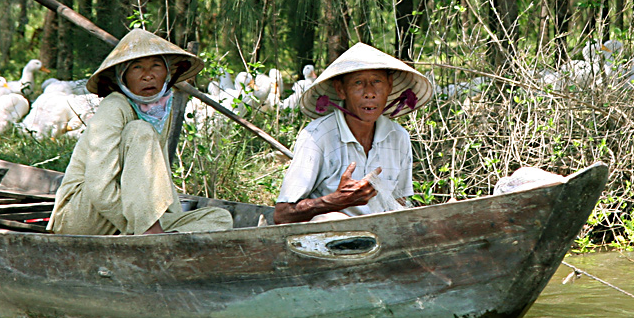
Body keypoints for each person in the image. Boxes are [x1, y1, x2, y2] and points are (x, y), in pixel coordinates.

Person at [47, 29, 233, 235]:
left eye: (156, 66)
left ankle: (154, 236)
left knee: (219, 218)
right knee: (139, 130)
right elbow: (99, 187)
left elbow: (159, 174)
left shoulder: (161, 108)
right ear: (122, 76)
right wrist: (146, 229)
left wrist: (168, 217)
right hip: (84, 215)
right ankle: (148, 236)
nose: (148, 76)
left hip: (130, 217)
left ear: (168, 72)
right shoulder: (115, 106)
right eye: (137, 68)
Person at [274, 42, 433, 224]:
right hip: (330, 242)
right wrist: (335, 201)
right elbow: (282, 214)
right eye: (358, 83)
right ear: (341, 89)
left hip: (382, 238)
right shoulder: (317, 136)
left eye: (377, 82)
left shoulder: (398, 137)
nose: (370, 93)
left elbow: (400, 203)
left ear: (389, 86)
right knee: (331, 219)